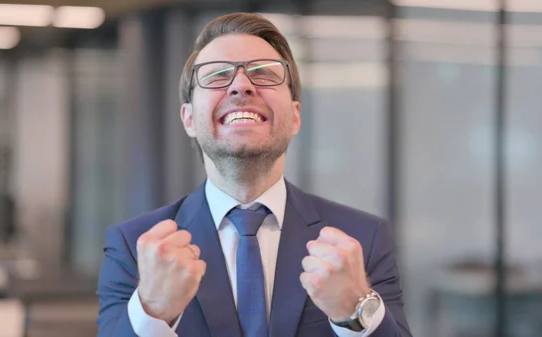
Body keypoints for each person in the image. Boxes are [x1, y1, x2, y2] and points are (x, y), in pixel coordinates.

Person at [96, 12, 412, 337]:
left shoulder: (363, 240)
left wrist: (356, 313)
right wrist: (152, 312)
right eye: (217, 75)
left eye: (263, 73)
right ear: (188, 119)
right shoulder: (135, 247)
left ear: (295, 116)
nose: (242, 85)